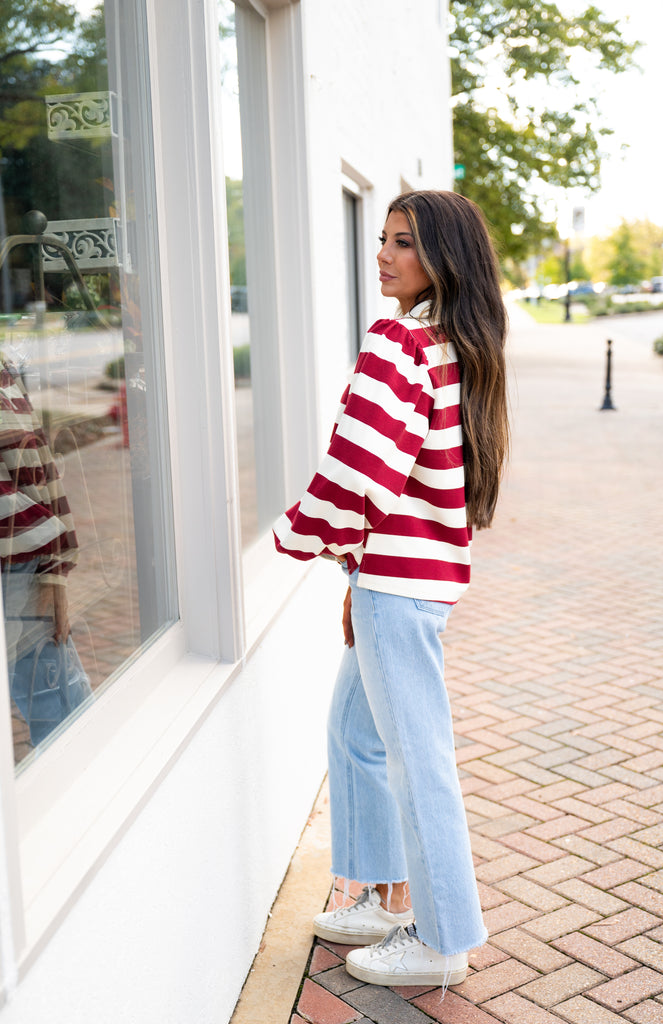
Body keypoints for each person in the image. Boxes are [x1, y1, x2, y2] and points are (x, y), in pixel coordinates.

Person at [273, 190, 508, 987]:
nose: (382, 253)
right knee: (354, 732)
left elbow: (356, 469)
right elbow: (405, 477)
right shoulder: (452, 342)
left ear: (441, 257)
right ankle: (382, 895)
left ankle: (442, 941)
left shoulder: (402, 342)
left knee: (414, 757)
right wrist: (354, 567)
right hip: (404, 576)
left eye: (402, 243)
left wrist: (296, 534)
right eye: (382, 238)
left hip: (399, 586)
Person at [0, 359, 91, 750]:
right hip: (19, 556)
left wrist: (53, 569)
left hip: (21, 557)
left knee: (64, 709)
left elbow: (35, 461)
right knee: (62, 710)